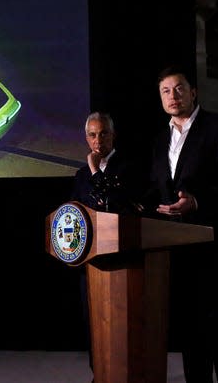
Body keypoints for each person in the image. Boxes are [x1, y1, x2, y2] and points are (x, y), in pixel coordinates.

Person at [141, 65, 218, 383]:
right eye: (165, 91)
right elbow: (156, 187)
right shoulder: (160, 139)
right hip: (174, 245)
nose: (172, 96)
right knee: (190, 326)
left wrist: (198, 201)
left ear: (193, 92)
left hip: (211, 241)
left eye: (178, 89)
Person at [70, 111, 142, 374]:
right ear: (86, 138)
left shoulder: (130, 167)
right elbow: (76, 212)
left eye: (103, 133)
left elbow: (114, 203)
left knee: (122, 323)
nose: (98, 140)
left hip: (122, 260)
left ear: (113, 136)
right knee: (94, 324)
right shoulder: (80, 176)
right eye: (92, 135)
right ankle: (99, 375)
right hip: (91, 260)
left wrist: (94, 169)